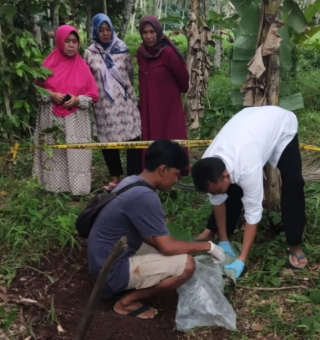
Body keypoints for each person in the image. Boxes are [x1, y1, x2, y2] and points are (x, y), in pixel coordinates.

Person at [87, 139, 225, 320]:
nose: (176, 180)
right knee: (187, 265)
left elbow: (153, 238)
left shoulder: (132, 181)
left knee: (170, 251)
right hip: (110, 272)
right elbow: (167, 247)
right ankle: (126, 302)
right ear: (162, 169)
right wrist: (208, 247)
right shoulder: (145, 196)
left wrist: (176, 247)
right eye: (176, 174)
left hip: (102, 259)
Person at [191, 106, 308, 278]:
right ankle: (216, 230)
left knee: (294, 183)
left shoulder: (247, 167)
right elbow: (217, 200)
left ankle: (295, 243)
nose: (214, 194)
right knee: (228, 190)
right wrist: (223, 241)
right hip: (249, 125)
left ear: (225, 175)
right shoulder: (207, 167)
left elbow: (253, 212)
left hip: (281, 127)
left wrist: (242, 259)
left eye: (215, 190)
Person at [32, 25, 99, 195]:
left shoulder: (83, 67)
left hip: (76, 121)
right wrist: (51, 95)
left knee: (76, 154)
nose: (71, 45)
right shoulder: (47, 65)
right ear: (60, 42)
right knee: (54, 153)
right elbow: (37, 92)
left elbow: (93, 96)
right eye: (67, 41)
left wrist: (77, 100)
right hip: (51, 119)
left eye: (75, 41)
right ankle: (53, 188)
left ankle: (77, 189)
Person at [83, 13, 142, 192]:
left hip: (125, 103)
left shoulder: (122, 49)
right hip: (103, 106)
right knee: (108, 141)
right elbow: (87, 78)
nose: (105, 33)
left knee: (133, 137)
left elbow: (130, 74)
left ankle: (133, 176)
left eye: (108, 29)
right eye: (101, 30)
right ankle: (115, 177)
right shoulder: (89, 53)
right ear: (95, 31)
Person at [136, 16, 190, 175]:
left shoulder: (168, 52)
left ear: (158, 32)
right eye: (145, 32)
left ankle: (176, 171)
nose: (148, 36)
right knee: (152, 136)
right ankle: (154, 171)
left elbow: (184, 80)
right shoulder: (141, 52)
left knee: (171, 135)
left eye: (152, 31)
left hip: (168, 105)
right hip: (149, 105)